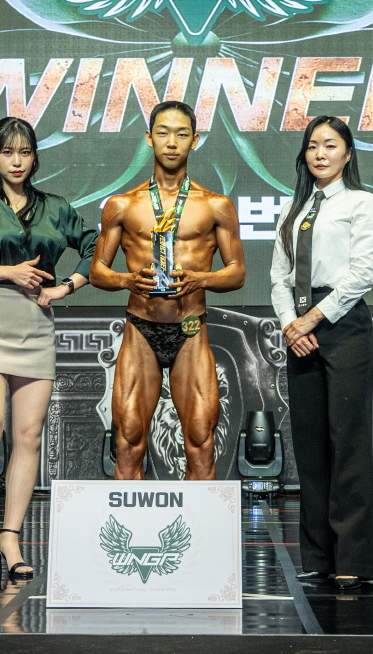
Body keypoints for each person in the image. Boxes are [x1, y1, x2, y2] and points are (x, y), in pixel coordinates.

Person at [0, 116, 97, 582]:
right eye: (7, 152)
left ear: (34, 158)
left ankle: (11, 537)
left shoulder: (56, 207)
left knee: (28, 436)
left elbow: (98, 246)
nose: (17, 161)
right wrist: (8, 272)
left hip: (36, 326)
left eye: (25, 152)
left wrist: (67, 285)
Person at [90, 100, 245, 480]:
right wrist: (126, 280)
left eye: (181, 134)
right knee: (128, 438)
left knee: (201, 440)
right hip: (141, 329)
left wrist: (200, 280)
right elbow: (97, 272)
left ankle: (197, 521)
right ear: (149, 138)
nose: (171, 142)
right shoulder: (121, 205)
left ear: (195, 140)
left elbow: (237, 273)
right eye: (163, 133)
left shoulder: (217, 205)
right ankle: (130, 519)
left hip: (191, 329)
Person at [270, 114, 373, 592]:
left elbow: (361, 275)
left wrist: (312, 318)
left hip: (342, 325)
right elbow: (278, 277)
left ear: (347, 153)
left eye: (331, 145)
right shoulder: (292, 209)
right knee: (310, 447)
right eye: (313, 145)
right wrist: (290, 325)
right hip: (299, 329)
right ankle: (317, 558)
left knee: (348, 445)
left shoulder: (361, 202)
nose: (321, 153)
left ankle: (352, 561)